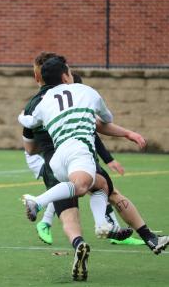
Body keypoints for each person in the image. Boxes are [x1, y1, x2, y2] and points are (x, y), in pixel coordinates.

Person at [19, 54, 169, 257]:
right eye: (70, 71)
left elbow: (29, 143)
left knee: (83, 202)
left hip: (54, 162)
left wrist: (27, 120)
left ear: (39, 77)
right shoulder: (84, 91)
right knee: (94, 189)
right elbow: (102, 121)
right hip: (79, 153)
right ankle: (37, 202)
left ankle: (88, 237)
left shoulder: (37, 104)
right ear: (65, 76)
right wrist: (127, 133)